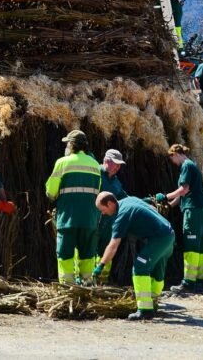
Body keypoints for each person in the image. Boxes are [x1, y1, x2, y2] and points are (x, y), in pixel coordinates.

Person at [93, 193, 174, 320]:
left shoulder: (122, 215)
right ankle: (153, 303)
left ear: (109, 203)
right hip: (169, 234)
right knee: (157, 273)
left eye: (102, 209)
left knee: (139, 268)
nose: (102, 213)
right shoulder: (128, 200)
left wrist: (101, 265)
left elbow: (113, 245)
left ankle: (145, 310)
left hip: (158, 239)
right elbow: (148, 205)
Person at [45, 129, 102, 285]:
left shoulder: (62, 162)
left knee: (65, 253)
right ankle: (87, 284)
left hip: (67, 217)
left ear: (71, 144)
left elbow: (51, 192)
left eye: (67, 144)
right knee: (87, 254)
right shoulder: (95, 165)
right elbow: (98, 191)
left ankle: (67, 285)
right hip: (90, 218)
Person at [157, 143, 203, 291]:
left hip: (192, 211)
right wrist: (170, 205)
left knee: (191, 243)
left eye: (172, 158)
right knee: (200, 244)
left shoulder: (186, 166)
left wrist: (165, 197)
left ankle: (188, 281)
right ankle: (200, 279)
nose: (173, 162)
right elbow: (184, 194)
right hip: (200, 210)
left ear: (176, 154)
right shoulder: (192, 165)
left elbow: (183, 189)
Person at [94, 148, 128, 282]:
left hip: (109, 224)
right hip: (93, 220)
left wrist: (145, 202)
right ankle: (87, 279)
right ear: (106, 161)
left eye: (120, 165)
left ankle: (102, 281)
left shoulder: (116, 182)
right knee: (88, 250)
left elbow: (124, 198)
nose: (118, 167)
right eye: (116, 163)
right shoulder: (94, 173)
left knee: (105, 250)